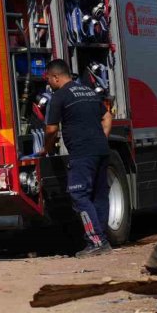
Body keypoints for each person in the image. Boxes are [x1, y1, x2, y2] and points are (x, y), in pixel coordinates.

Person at [40, 59, 113, 258]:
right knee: (99, 196)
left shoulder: (59, 96)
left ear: (56, 77)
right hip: (101, 150)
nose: (49, 84)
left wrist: (45, 149)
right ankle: (102, 240)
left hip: (82, 153)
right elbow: (107, 117)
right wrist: (101, 137)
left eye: (49, 79)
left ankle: (96, 241)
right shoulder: (88, 91)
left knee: (79, 195)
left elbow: (51, 128)